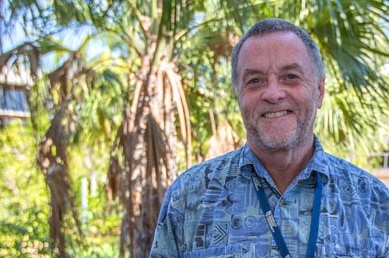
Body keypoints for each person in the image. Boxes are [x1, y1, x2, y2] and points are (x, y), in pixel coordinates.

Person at [149, 18, 389, 258]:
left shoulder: (375, 203)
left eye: (290, 76)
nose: (273, 94)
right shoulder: (189, 197)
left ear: (319, 90)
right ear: (238, 95)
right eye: (255, 81)